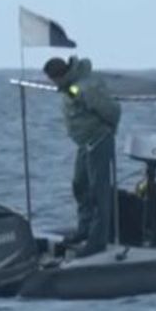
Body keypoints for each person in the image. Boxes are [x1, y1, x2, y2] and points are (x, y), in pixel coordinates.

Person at [44, 56, 121, 258]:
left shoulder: (84, 87)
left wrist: (109, 130)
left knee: (98, 191)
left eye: (53, 80)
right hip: (84, 144)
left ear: (60, 76)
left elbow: (111, 110)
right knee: (80, 185)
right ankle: (84, 229)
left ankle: (98, 241)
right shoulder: (71, 87)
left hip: (98, 140)